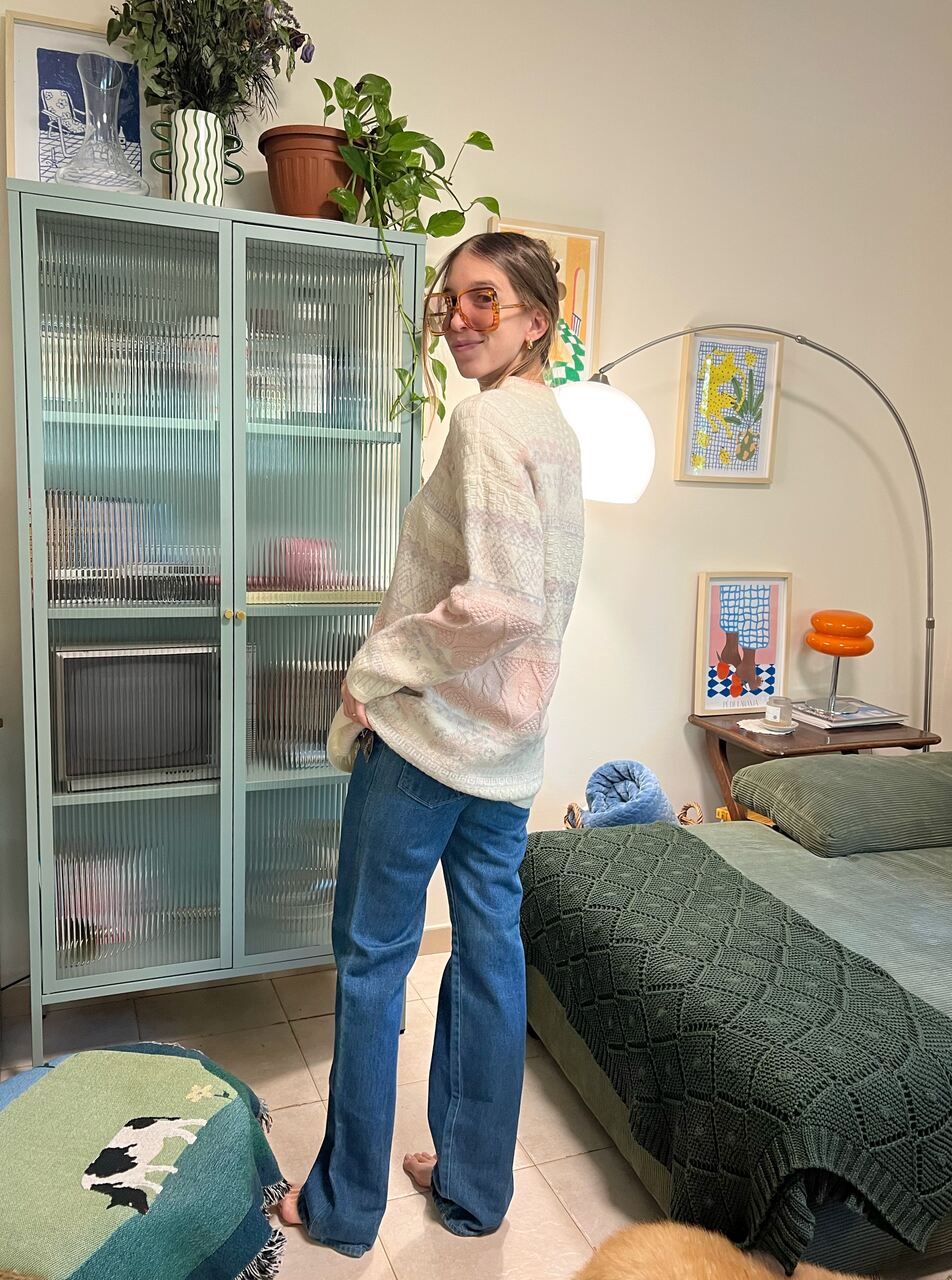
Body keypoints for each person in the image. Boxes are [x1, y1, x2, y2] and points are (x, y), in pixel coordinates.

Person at [278, 231, 585, 1256]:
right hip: (507, 752)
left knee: (372, 964)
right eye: (449, 299)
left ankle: (342, 1205)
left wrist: (378, 666)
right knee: (490, 960)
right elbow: (534, 601)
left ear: (535, 320)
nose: (457, 317)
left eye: (483, 299)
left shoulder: (490, 421)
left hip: (427, 745)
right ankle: (470, 1185)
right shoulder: (554, 428)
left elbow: (501, 600)